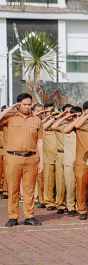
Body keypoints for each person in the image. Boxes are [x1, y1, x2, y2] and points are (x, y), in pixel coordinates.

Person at [0, 94, 45, 227]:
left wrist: (41, 160)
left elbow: (40, 140)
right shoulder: (10, 117)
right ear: (18, 104)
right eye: (24, 104)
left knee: (29, 190)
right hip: (13, 158)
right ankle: (13, 217)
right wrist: (9, 109)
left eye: (29, 104)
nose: (27, 107)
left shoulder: (36, 120)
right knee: (13, 189)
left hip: (31, 158)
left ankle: (29, 216)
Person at [64, 101, 88, 220]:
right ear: (83, 112)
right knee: (81, 186)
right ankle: (81, 210)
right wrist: (83, 116)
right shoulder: (79, 123)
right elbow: (66, 129)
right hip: (81, 160)